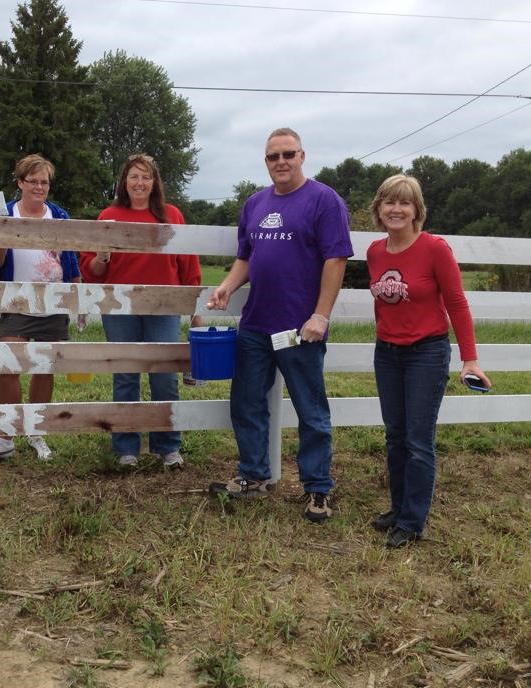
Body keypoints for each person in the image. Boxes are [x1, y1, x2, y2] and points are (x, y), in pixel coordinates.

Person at [206, 128, 353, 522]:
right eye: (273, 157)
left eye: (288, 154)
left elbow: (336, 259)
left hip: (300, 328)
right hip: (256, 324)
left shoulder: (324, 200)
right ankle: (254, 475)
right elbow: (246, 257)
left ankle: (318, 489)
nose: (281, 162)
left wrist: (320, 315)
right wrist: (226, 287)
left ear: (302, 155)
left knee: (311, 409)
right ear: (265, 161)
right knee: (247, 401)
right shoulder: (255, 204)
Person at [367, 174, 490, 548]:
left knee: (419, 441)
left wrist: (470, 359)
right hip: (387, 353)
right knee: (395, 436)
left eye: (405, 202)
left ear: (417, 210)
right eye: (389, 201)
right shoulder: (374, 251)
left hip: (427, 353)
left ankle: (412, 520)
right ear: (379, 208)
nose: (396, 209)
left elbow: (457, 303)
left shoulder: (435, 248)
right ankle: (398, 506)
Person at [80, 154, 202, 469]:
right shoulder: (109, 215)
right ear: (124, 181)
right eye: (134, 176)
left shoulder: (171, 215)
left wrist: (195, 310)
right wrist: (103, 257)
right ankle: (126, 449)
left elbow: (189, 265)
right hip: (120, 308)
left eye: (146, 177)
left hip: (164, 306)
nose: (139, 183)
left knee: (164, 376)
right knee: (125, 376)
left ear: (154, 182)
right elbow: (92, 271)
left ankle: (168, 446)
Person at [0, 154, 81, 464]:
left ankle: (36, 431)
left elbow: (70, 261)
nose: (39, 186)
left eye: (44, 181)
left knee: (45, 369)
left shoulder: (59, 215)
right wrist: (4, 240)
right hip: (16, 304)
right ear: (20, 182)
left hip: (54, 304)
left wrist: (79, 296)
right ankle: (5, 437)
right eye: (32, 181)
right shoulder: (3, 213)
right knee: (9, 366)